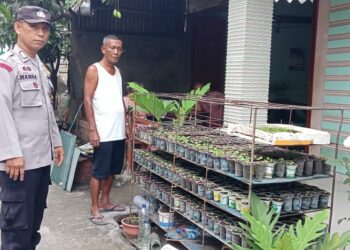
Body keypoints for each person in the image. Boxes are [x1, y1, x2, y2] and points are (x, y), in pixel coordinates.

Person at [0, 6, 64, 250]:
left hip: (39, 161)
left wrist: (56, 142)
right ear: (18, 27)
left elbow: (46, 110)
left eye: (45, 28)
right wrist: (11, 154)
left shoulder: (40, 66)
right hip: (18, 165)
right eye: (34, 27)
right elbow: (1, 111)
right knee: (16, 230)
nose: (41, 33)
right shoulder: (7, 66)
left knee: (33, 226)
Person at [84, 35, 126, 225]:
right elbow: (87, 99)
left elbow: (119, 100)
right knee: (99, 171)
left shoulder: (117, 71)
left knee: (112, 170)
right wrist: (93, 129)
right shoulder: (94, 70)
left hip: (118, 131)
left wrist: (127, 127)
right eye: (112, 48)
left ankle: (105, 201)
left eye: (119, 48)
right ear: (103, 49)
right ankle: (94, 207)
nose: (116, 52)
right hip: (103, 131)